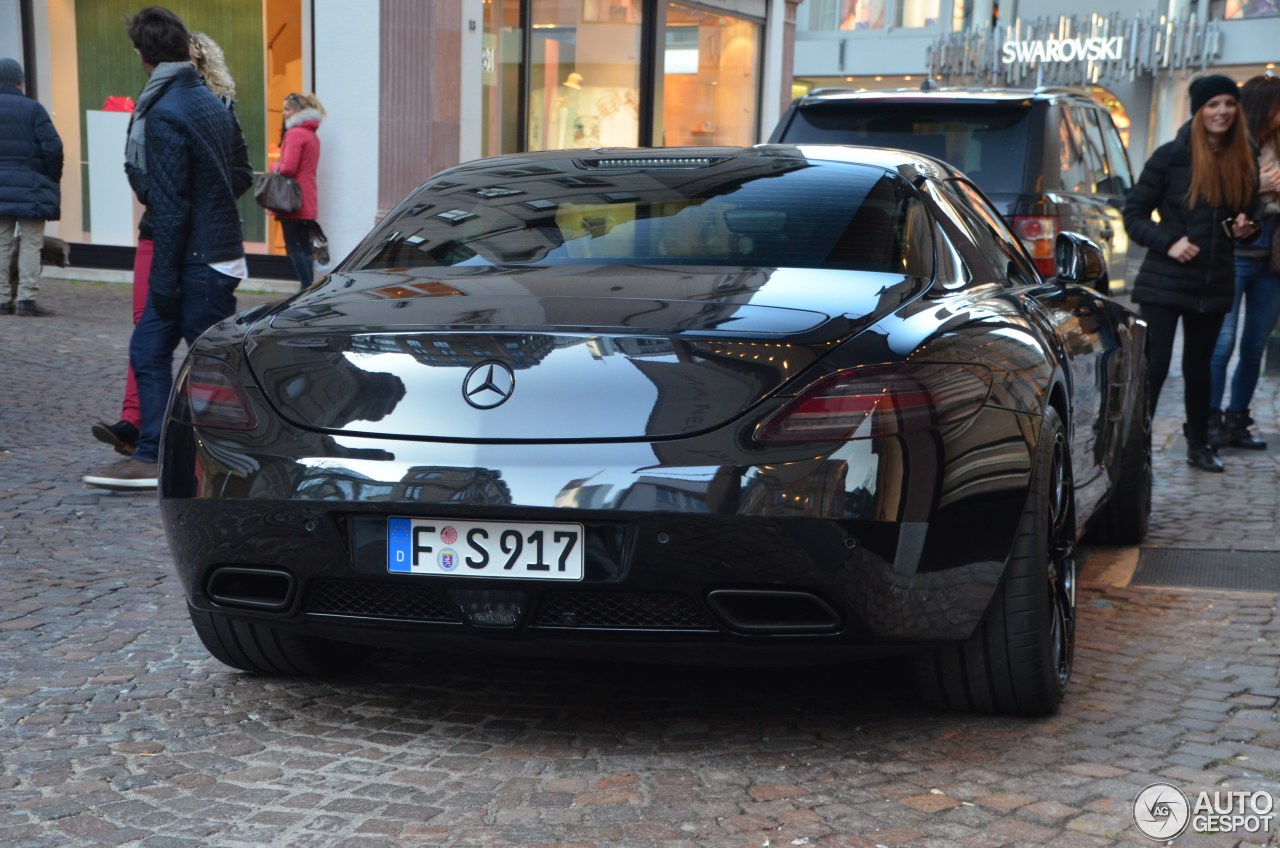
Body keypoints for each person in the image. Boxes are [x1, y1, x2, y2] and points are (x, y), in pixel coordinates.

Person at [83, 7, 252, 490]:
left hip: (194, 259)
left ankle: (225, 459)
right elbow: (234, 174)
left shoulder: (165, 110)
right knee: (158, 350)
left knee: (210, 364)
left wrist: (164, 276)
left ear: (141, 55)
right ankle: (154, 452)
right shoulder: (207, 99)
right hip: (210, 252)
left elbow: (172, 204)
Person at [1123, 74, 1259, 473]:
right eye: (1213, 105)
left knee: (1199, 369)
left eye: (1229, 104)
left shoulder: (1245, 157)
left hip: (1214, 280)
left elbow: (1244, 219)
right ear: (1199, 111)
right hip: (1164, 280)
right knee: (1156, 365)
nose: (1222, 112)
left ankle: (1199, 444)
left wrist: (1244, 230)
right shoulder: (1171, 155)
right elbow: (1133, 213)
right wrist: (1169, 241)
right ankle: (1133, 447)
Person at [1209, 73, 1280, 450]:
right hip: (1234, 257)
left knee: (1254, 346)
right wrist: (1263, 189)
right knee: (1221, 345)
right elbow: (1221, 198)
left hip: (1272, 263)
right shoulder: (1231, 148)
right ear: (1265, 107)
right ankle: (1209, 422)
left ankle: (1237, 421)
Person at [0, 57, 63, 317]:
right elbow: (53, 147)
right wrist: (49, 178)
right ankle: (26, 298)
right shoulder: (33, 109)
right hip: (31, 187)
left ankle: (2, 299)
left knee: (1, 243)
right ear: (20, 82)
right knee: (30, 243)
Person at [273, 91, 325, 289]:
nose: (283, 113)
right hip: (307, 196)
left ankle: (306, 287)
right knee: (304, 245)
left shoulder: (295, 134)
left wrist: (273, 167)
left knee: (295, 246)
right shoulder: (312, 134)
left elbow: (288, 168)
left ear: (298, 111)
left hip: (292, 199)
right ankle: (308, 287)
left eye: (287, 109)